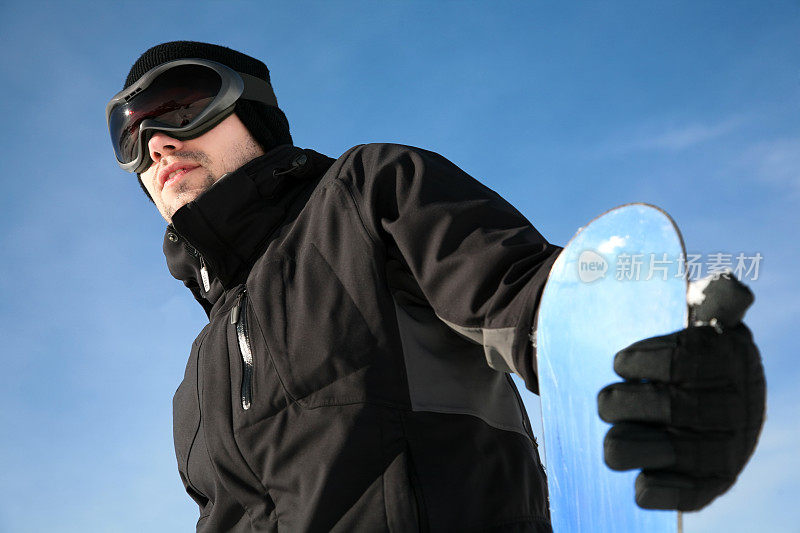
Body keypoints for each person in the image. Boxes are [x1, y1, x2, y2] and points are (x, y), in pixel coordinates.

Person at [106, 41, 766, 532]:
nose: (157, 142)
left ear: (252, 111)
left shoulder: (364, 198)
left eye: (181, 106)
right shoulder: (193, 385)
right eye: (130, 134)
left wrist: (652, 342)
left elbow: (524, 292)